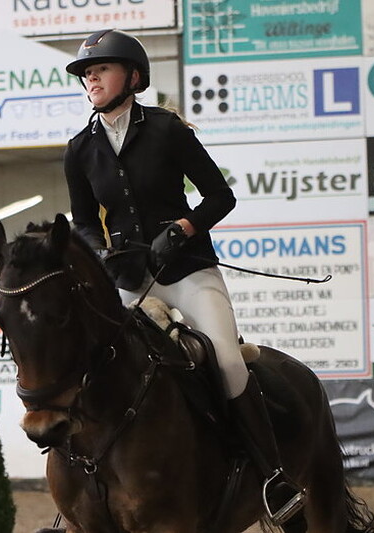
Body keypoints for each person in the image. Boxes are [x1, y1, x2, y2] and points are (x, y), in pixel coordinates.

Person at [63, 29, 306, 528]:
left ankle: (272, 476)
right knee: (99, 367)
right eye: (87, 72)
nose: (91, 76)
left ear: (132, 77)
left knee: (226, 360)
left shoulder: (168, 130)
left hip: (187, 269)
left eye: (101, 69)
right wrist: (104, 255)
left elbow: (220, 195)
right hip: (130, 279)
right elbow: (84, 221)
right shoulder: (78, 150)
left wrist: (183, 228)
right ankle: (78, 496)